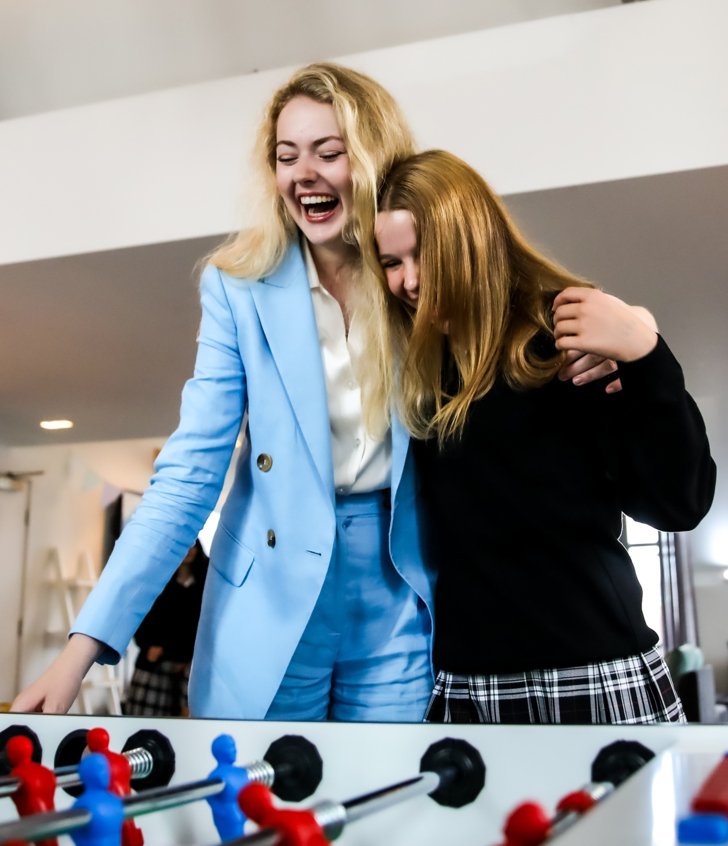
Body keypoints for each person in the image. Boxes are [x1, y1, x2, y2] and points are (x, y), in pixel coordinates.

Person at [12, 64, 629, 723]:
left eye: (328, 152)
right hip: (269, 598)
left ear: (372, 157)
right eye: (286, 156)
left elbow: (507, 317)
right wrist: (82, 648)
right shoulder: (237, 287)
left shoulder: (416, 277)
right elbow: (189, 475)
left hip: (398, 599)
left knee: (384, 810)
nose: (303, 173)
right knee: (264, 813)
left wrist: (624, 339)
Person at [374, 149, 716, 724]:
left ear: (470, 239)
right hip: (466, 688)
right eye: (391, 262)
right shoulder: (416, 373)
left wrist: (646, 354)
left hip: (596, 675)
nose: (407, 281)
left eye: (422, 255)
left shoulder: (563, 337)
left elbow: (679, 504)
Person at [123, 540, 208, 717]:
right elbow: (139, 615)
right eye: (185, 546)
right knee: (143, 719)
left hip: (188, 665)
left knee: (183, 725)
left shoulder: (205, 583)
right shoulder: (158, 579)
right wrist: (147, 645)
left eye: (193, 546)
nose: (189, 551)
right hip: (155, 660)